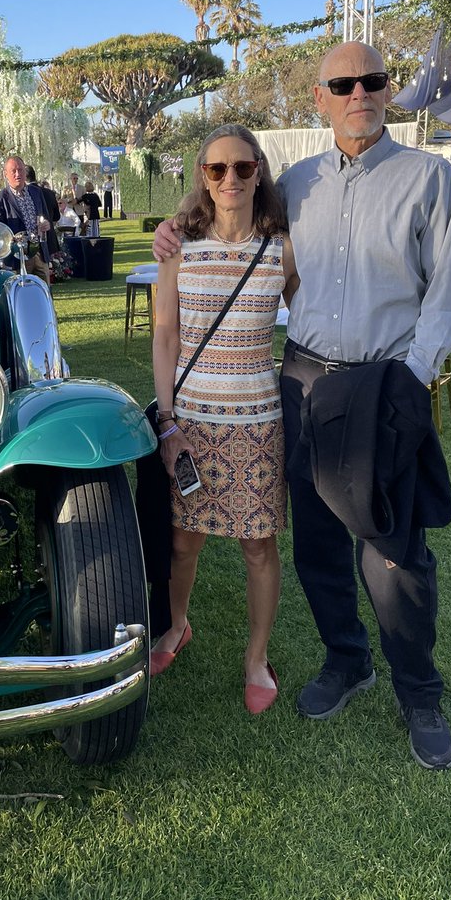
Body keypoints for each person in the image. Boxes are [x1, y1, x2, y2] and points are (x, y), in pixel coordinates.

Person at [154, 42, 451, 769]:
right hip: (301, 382)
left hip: (383, 383)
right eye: (342, 83)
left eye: (371, 80)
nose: (358, 91)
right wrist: (173, 229)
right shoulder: (295, 183)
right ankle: (346, 660)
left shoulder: (428, 177)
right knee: (319, 544)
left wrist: (411, 377)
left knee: (394, 551)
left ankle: (419, 691)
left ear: (387, 92)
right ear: (321, 96)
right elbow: (226, 214)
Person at [151, 125, 298, 715]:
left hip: (260, 421)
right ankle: (177, 626)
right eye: (217, 170)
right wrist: (166, 421)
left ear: (259, 171)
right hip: (192, 424)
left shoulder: (283, 248)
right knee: (184, 544)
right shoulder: (177, 246)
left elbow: (313, 319)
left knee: (259, 548)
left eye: (242, 168)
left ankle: (256, 657)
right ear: (203, 178)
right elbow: (165, 334)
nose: (230, 179)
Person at [0, 154, 52, 284]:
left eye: (21, 170)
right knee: (22, 296)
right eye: (13, 171)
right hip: (17, 259)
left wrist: (46, 225)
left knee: (44, 295)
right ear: (5, 174)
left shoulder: (36, 192)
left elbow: (46, 217)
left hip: (39, 253)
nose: (18, 174)